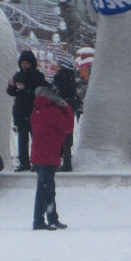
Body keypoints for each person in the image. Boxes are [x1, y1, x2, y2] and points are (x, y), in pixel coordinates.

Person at [30, 84, 74, 230]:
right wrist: (67, 108)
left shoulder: (37, 110)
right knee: (45, 189)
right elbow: (68, 127)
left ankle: (52, 217)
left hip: (39, 154)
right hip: (49, 154)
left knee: (47, 188)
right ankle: (39, 220)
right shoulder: (53, 111)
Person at [7, 50, 46, 171]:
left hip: (34, 111)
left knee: (36, 139)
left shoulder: (38, 76)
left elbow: (38, 93)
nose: (24, 66)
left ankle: (37, 162)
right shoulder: (18, 75)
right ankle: (24, 163)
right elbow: (11, 92)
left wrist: (24, 89)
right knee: (22, 139)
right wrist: (12, 85)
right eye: (23, 63)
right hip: (20, 112)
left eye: (27, 63)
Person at [51, 64, 83, 172]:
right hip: (68, 111)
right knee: (67, 138)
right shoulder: (72, 80)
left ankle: (58, 162)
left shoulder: (59, 80)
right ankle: (67, 163)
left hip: (59, 110)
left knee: (58, 137)